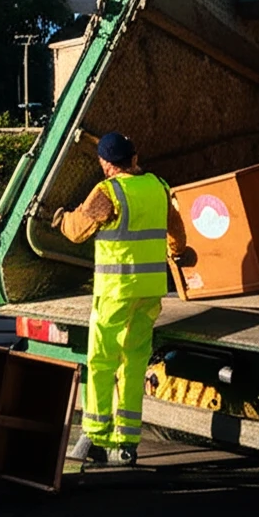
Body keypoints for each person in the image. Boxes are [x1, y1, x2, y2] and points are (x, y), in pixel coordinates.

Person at [51, 132, 186, 468]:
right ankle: (126, 444)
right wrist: (176, 253)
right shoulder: (158, 186)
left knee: (101, 361)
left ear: (106, 163)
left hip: (115, 292)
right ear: (135, 157)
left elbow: (77, 230)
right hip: (150, 290)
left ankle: (95, 438)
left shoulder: (107, 192)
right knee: (134, 361)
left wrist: (59, 218)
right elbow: (177, 234)